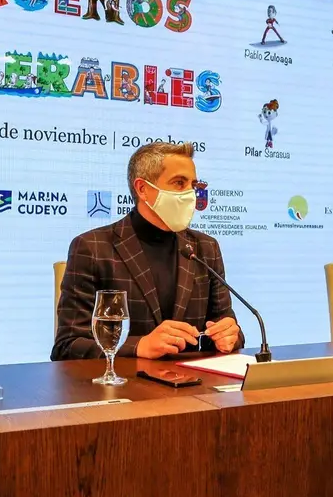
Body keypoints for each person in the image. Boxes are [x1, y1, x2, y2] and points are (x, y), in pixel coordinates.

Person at [52, 142, 243, 360]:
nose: (191, 193)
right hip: (126, 379)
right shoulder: (92, 248)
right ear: (142, 189)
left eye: (193, 185)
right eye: (179, 183)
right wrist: (138, 346)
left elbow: (227, 326)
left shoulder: (205, 248)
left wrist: (230, 336)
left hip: (192, 379)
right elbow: (67, 346)